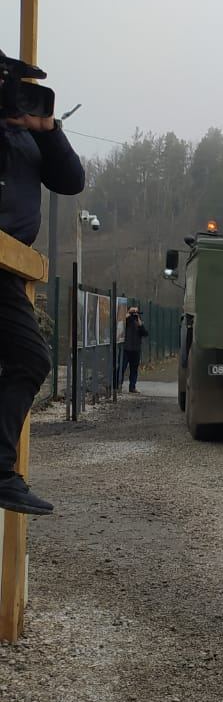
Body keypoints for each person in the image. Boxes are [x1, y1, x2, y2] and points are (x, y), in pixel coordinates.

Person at [0, 109, 85, 515]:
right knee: (29, 358)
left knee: (31, 359)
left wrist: (49, 131)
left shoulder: (28, 135)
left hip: (8, 266)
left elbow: (71, 180)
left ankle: (1, 472)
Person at [119, 306, 148, 393]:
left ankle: (132, 387)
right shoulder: (126, 321)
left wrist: (138, 319)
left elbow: (145, 333)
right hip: (126, 349)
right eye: (133, 311)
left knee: (134, 369)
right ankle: (118, 385)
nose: (134, 313)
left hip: (136, 349)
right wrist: (128, 314)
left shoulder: (138, 322)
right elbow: (120, 324)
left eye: (136, 311)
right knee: (121, 368)